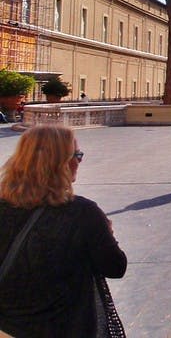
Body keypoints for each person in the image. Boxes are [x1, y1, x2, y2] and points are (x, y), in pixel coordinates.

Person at [0, 125, 127, 336]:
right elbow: (115, 267)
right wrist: (108, 234)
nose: (79, 161)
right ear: (62, 163)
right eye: (76, 155)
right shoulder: (83, 213)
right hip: (64, 327)